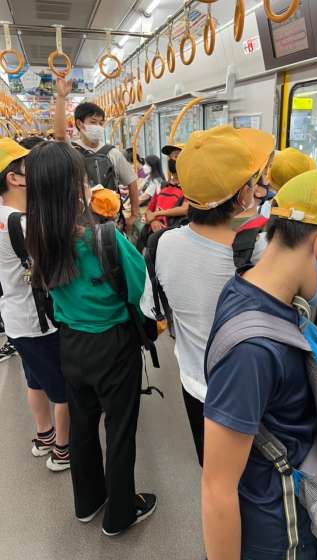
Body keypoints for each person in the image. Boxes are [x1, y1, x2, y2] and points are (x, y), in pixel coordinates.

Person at [201, 140, 317, 560]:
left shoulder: (256, 289)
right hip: (278, 536)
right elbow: (217, 488)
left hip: (292, 514)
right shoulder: (253, 350)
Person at [25, 141, 156, 536]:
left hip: (70, 345)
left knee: (82, 427)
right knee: (120, 430)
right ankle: (120, 514)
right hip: (113, 345)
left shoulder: (38, 238)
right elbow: (138, 288)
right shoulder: (105, 238)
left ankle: (87, 502)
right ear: (76, 188)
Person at [141, 125, 275, 466]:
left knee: (212, 468)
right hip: (249, 391)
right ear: (243, 196)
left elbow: (152, 308)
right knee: (252, 477)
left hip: (194, 384)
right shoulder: (260, 249)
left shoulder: (161, 244)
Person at [0, 138, 70, 471]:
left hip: (15, 318)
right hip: (39, 321)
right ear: (14, 178)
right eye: (29, 167)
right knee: (63, 390)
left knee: (35, 381)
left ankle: (44, 436)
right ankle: (63, 450)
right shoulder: (24, 223)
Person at [54, 78, 139, 233]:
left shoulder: (113, 153)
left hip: (111, 222)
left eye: (101, 123)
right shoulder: (71, 149)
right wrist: (60, 98)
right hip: (79, 223)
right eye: (93, 122)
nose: (98, 127)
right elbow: (59, 135)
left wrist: (134, 214)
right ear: (80, 124)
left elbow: (132, 182)